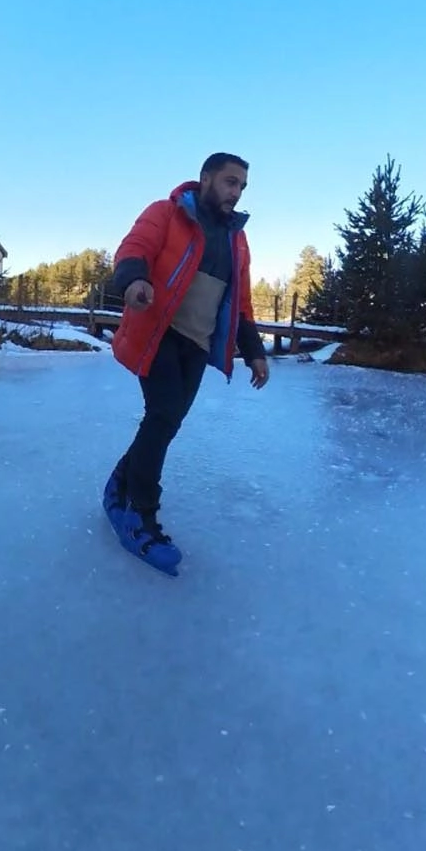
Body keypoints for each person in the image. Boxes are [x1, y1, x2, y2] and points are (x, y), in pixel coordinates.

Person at [102, 152, 269, 574]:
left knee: (167, 422)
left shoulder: (236, 238)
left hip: (196, 344)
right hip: (158, 332)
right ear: (207, 179)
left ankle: (120, 486)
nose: (236, 193)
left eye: (242, 187)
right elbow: (133, 249)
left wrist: (254, 351)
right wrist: (135, 280)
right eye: (230, 182)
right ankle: (138, 515)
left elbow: (242, 302)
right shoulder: (167, 213)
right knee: (161, 417)